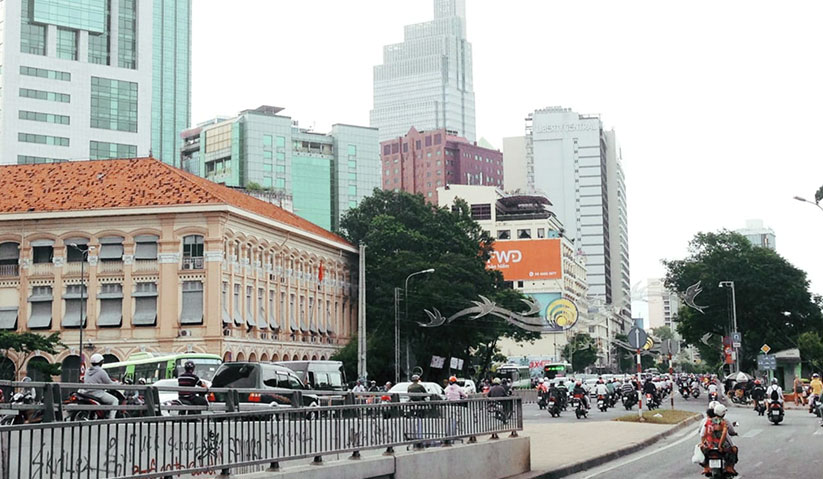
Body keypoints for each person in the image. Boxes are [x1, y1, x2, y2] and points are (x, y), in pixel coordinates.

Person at [699, 403, 738, 476]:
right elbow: (725, 435)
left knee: (702, 450)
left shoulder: (708, 421)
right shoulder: (723, 422)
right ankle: (729, 467)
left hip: (709, 445)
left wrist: (703, 443)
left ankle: (706, 467)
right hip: (720, 445)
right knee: (734, 450)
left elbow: (702, 434)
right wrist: (724, 445)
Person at [80, 353, 118, 419]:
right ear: (100, 362)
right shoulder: (101, 371)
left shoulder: (87, 371)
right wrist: (118, 384)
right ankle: (111, 419)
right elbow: (109, 383)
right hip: (97, 393)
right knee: (115, 400)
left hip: (86, 392)